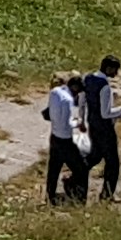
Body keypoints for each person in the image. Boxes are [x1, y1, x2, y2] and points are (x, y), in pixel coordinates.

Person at [81, 56, 121, 202]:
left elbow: (83, 101)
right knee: (113, 163)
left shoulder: (89, 78)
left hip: (92, 123)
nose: (116, 73)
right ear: (109, 68)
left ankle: (75, 177)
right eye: (115, 70)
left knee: (95, 156)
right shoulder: (104, 86)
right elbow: (106, 113)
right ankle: (107, 194)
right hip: (104, 128)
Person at [41, 74, 91, 205]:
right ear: (74, 88)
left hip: (54, 137)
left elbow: (51, 114)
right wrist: (78, 122)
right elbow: (67, 123)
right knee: (82, 168)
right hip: (65, 140)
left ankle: (50, 195)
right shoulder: (68, 100)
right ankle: (80, 197)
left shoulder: (55, 92)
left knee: (54, 169)